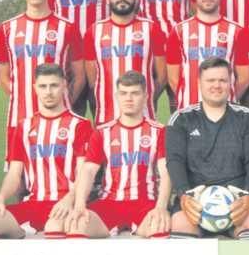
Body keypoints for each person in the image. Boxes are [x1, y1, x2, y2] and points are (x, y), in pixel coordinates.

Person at [0, 64, 93, 239]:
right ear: (35, 88)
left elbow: (84, 172)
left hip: (65, 204)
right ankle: (15, 244)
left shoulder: (80, 125)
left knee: (53, 229)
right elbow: (14, 173)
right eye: (43, 86)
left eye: (54, 85)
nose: (48, 92)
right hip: (33, 204)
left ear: (64, 85)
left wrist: (70, 199)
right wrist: (1, 198)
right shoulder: (24, 126)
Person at [166, 58, 249, 240]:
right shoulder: (181, 119)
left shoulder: (248, 118)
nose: (217, 85)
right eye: (210, 80)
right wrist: (183, 195)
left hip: (238, 200)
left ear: (230, 83)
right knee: (181, 224)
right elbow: (175, 161)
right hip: (195, 200)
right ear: (199, 83)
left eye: (222, 80)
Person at [0, 0, 83, 166]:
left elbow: (79, 76)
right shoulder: (6, 29)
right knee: (18, 176)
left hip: (60, 120)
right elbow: (4, 77)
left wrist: (64, 101)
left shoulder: (67, 28)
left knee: (60, 174)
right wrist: (22, 98)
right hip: (19, 118)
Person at [66, 71, 171, 239]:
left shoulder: (159, 131)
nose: (129, 98)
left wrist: (161, 207)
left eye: (135, 93)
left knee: (160, 229)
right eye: (123, 93)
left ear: (145, 97)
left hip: (145, 204)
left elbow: (166, 172)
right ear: (117, 96)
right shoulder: (102, 132)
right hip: (109, 204)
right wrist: (79, 205)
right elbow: (88, 171)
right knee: (76, 226)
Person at [84, 0, 167, 125]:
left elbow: (162, 75)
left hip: (144, 117)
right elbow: (92, 80)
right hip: (106, 118)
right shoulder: (93, 31)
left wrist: (147, 98)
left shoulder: (151, 29)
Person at [166, 0, 249, 109]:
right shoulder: (178, 31)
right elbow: (173, 79)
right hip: (189, 111)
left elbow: (244, 79)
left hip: (225, 112)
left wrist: (224, 98)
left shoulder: (238, 31)